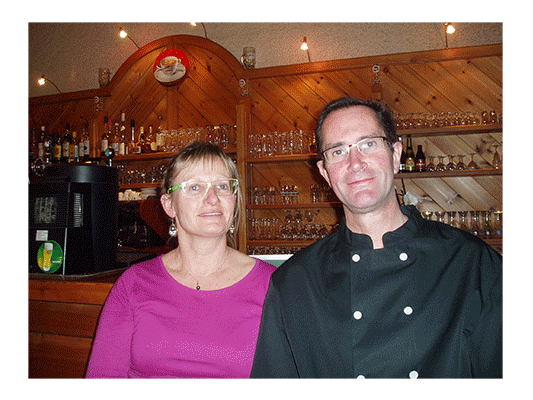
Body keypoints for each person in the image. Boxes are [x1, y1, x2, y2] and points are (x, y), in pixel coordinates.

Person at [250, 97, 502, 378]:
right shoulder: (294, 283)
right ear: (324, 173)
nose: (355, 163)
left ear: (396, 155)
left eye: (368, 144)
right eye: (338, 151)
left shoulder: (472, 264)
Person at [86, 141, 276, 378]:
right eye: (194, 187)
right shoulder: (133, 284)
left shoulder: (272, 285)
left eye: (222, 186)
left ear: (234, 199)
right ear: (169, 205)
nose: (213, 198)